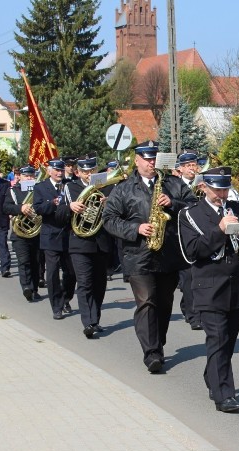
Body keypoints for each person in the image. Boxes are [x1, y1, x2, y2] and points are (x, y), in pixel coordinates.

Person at [102, 140, 187, 373]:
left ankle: (158, 343)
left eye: (153, 159)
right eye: (146, 159)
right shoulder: (124, 188)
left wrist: (174, 203)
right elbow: (109, 219)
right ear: (137, 161)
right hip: (138, 255)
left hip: (168, 254)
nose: (151, 163)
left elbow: (193, 209)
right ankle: (151, 353)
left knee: (165, 304)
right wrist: (136, 229)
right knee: (147, 300)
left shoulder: (174, 184)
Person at [178, 166, 239, 412]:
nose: (222, 194)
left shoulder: (236, 209)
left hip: (237, 284)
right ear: (203, 187)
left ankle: (213, 375)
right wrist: (220, 229)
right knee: (218, 338)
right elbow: (192, 252)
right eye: (217, 189)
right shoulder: (189, 214)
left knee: (227, 342)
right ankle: (224, 395)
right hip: (209, 287)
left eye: (225, 189)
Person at [56, 155, 113, 339]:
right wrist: (70, 207)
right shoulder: (70, 187)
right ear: (78, 172)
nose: (89, 174)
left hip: (101, 242)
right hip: (80, 242)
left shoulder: (106, 186)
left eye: (92, 170)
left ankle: (95, 319)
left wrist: (109, 203)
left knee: (99, 284)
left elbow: (118, 210)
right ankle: (87, 322)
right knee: (85, 283)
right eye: (86, 171)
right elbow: (59, 215)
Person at [34, 158, 76, 319]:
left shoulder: (70, 184)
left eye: (61, 170)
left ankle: (66, 298)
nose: (59, 173)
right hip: (51, 235)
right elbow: (38, 208)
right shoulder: (40, 187)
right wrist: (53, 203)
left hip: (69, 234)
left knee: (71, 273)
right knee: (51, 274)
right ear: (49, 171)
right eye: (56, 170)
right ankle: (56, 306)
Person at [173, 150, 203, 330]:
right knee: (187, 276)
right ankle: (194, 316)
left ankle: (190, 307)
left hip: (200, 235)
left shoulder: (203, 184)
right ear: (181, 169)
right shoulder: (174, 185)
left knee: (197, 275)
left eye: (194, 165)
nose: (193, 169)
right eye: (189, 166)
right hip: (180, 235)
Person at [3, 164, 41, 301]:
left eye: (31, 175)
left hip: (37, 231)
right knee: (24, 261)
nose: (29, 178)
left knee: (36, 262)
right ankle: (26, 287)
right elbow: (6, 207)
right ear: (20, 177)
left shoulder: (39, 189)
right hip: (19, 232)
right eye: (26, 175)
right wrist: (21, 208)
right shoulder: (13, 191)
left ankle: (35, 288)